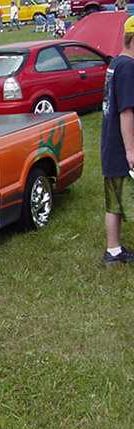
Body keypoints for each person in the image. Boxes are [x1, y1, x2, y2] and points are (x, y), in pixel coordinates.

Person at [101, 16, 134, 264]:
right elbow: (126, 112)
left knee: (114, 200)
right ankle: (112, 251)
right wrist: (131, 151)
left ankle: (113, 250)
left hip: (110, 143)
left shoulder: (115, 63)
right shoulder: (128, 68)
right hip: (121, 146)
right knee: (123, 199)